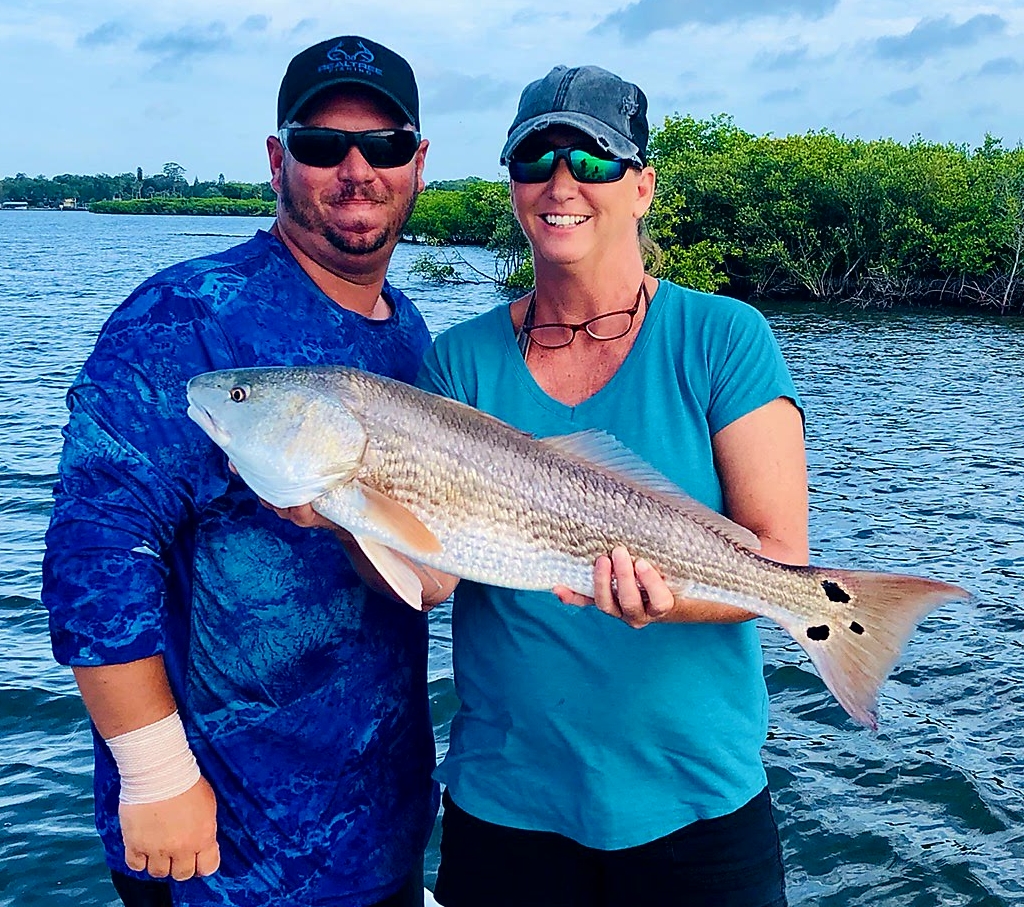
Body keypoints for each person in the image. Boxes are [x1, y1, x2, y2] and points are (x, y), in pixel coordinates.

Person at [41, 35, 452, 907]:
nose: (354, 169)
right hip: (219, 851)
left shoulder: (413, 341)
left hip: (380, 831)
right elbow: (93, 554)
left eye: (381, 147)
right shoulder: (185, 319)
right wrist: (153, 772)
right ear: (276, 159)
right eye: (319, 144)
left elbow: (416, 565)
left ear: (417, 164)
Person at [416, 65, 809, 906]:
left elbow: (781, 560)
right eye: (535, 159)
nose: (562, 184)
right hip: (506, 806)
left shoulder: (724, 338)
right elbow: (432, 573)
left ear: (643, 187)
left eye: (593, 160)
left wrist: (672, 596)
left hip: (698, 807)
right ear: (514, 186)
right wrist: (337, 502)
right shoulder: (458, 362)